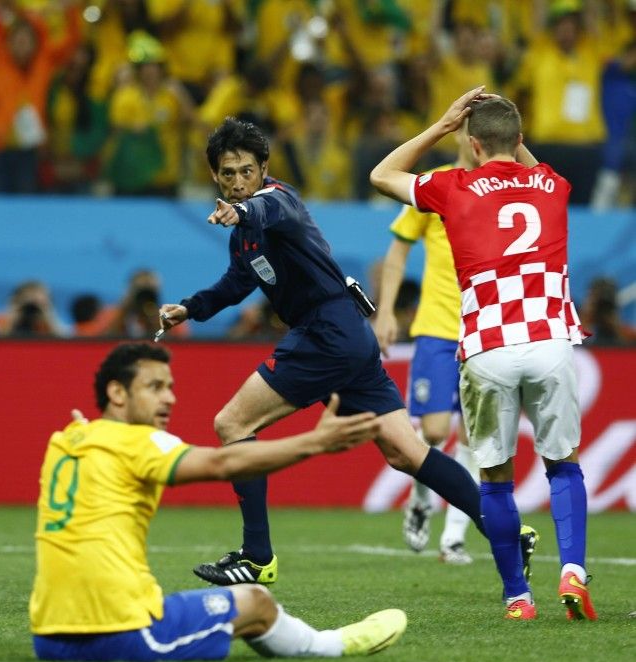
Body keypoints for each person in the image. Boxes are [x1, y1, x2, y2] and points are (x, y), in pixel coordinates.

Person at [158, 117, 490, 587]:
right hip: (346, 337)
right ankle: (505, 528)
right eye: (228, 174)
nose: (238, 182)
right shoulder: (244, 233)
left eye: (246, 171)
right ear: (215, 175)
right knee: (406, 452)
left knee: (232, 423)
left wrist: (243, 210)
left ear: (264, 168)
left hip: (324, 334)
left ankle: (256, 557)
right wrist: (189, 308)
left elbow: (265, 208)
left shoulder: (278, 201)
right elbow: (238, 281)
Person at [30, 342, 407, 662]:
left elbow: (87, 432)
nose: (169, 398)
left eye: (170, 387)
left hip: (49, 637)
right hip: (122, 631)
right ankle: (331, 647)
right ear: (117, 394)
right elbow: (221, 462)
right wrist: (315, 442)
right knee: (257, 602)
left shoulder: (64, 441)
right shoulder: (140, 442)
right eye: (154, 387)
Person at [370, 88, 595, 621]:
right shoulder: (554, 185)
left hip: (488, 347)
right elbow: (530, 164)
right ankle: (574, 571)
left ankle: (518, 594)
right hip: (550, 343)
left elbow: (382, 174)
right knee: (563, 465)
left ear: (471, 145)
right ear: (519, 141)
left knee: (494, 476)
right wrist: (513, 138)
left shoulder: (452, 186)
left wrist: (442, 125)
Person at [373, 126, 485, 565]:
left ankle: (453, 537)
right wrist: (384, 311)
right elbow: (398, 250)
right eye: (469, 135)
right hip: (438, 325)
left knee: (478, 436)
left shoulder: (496, 190)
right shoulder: (436, 185)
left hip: (484, 327)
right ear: (461, 139)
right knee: (435, 431)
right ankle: (421, 500)